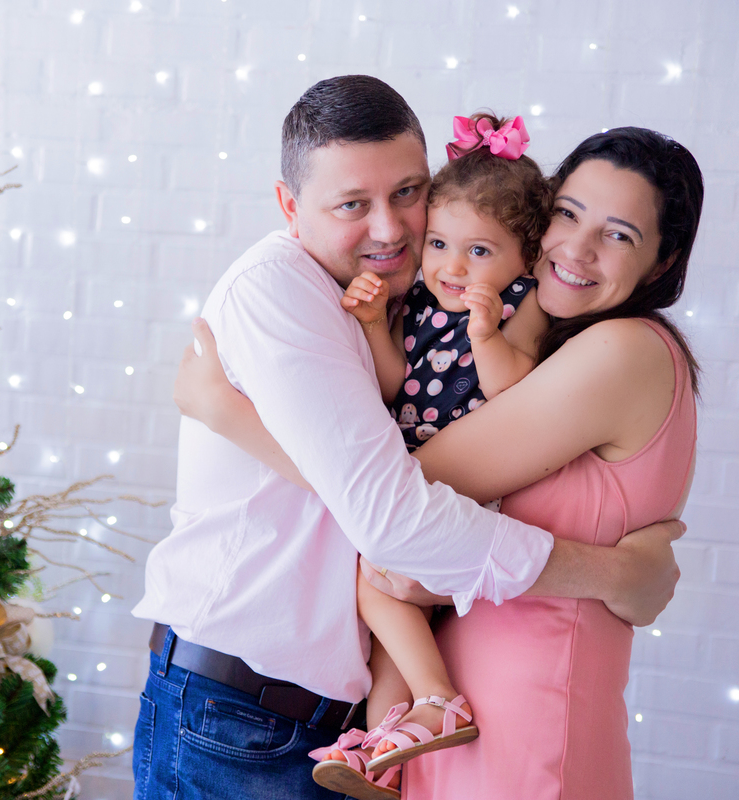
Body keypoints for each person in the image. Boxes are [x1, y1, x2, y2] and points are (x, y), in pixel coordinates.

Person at [131, 74, 683, 800]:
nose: (391, 229)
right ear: (290, 206)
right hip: (237, 718)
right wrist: (615, 576)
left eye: (407, 193)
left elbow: (382, 483)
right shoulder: (280, 291)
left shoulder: (410, 299)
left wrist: (235, 418)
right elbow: (390, 515)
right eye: (352, 204)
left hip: (326, 724)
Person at [308, 111, 555, 796]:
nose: (452, 266)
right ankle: (388, 754)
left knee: (374, 579)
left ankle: (440, 701)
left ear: (526, 257)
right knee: (391, 622)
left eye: (479, 251)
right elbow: (397, 384)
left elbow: (516, 392)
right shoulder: (420, 298)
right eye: (440, 243)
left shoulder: (520, 305)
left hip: (464, 494)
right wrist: (372, 324)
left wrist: (485, 335)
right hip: (418, 488)